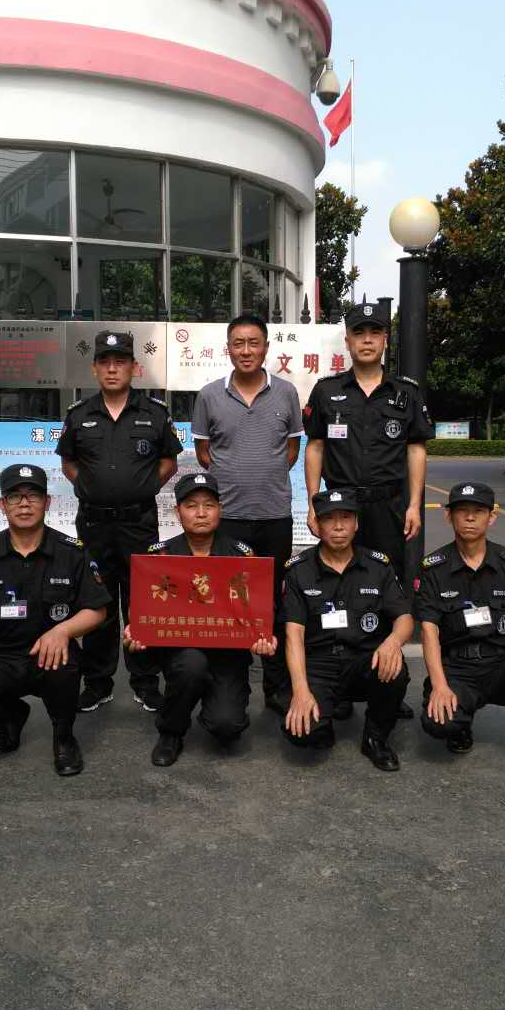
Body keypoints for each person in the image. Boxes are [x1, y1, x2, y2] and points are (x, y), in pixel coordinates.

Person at [302, 301, 433, 719]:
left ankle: (387, 683)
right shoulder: (327, 391)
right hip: (340, 506)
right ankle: (339, 684)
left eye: (375, 332)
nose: (367, 340)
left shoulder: (405, 393)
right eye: (359, 333)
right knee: (337, 588)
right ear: (348, 340)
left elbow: (416, 449)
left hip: (387, 507)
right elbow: (315, 447)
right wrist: (313, 503)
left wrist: (414, 505)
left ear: (385, 340)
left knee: (386, 589)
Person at [0, 463, 111, 776]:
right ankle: (10, 717)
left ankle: (64, 736)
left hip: (50, 654)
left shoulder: (71, 553)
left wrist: (63, 631)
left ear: (47, 503)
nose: (24, 503)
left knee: (65, 667)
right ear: (2, 504)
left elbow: (97, 610)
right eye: (14, 496)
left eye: (33, 496)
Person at [55, 330, 181, 712]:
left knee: (144, 602)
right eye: (105, 362)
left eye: (120, 362)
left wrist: (143, 487)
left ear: (134, 368)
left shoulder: (154, 413)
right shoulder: (79, 415)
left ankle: (145, 681)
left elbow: (168, 461)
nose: (113, 369)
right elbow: (69, 463)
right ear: (95, 368)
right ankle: (98, 683)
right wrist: (91, 488)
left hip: (138, 523)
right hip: (94, 526)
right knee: (98, 602)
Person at [123, 471, 277, 766]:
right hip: (182, 650)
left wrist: (264, 636)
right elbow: (140, 607)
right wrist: (136, 628)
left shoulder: (242, 556)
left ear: (220, 510)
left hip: (228, 653)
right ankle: (171, 731)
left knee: (227, 726)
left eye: (209, 505)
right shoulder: (160, 557)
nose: (201, 513)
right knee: (192, 665)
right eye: (191, 506)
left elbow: (261, 610)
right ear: (177, 512)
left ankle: (214, 698)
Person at [191, 313, 302, 710]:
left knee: (273, 600)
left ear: (266, 348)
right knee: (230, 601)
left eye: (254, 342)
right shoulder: (209, 395)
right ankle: (230, 682)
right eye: (238, 343)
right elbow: (205, 453)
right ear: (228, 349)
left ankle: (276, 685)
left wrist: (264, 475)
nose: (246, 350)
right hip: (229, 518)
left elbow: (291, 450)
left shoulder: (287, 392)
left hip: (274, 516)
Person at [415, 481, 505, 780]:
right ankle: (460, 725)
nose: (470, 518)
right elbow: (429, 632)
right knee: (439, 723)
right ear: (449, 516)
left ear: (491, 517)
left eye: (478, 511)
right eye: (462, 511)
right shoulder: (433, 568)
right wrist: (440, 686)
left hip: (503, 664)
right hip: (458, 668)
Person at [281, 487, 414, 771]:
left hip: (364, 660)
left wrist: (393, 642)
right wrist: (301, 691)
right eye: (329, 519)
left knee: (395, 668)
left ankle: (375, 737)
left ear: (356, 523)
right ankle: (323, 722)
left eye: (345, 518)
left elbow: (404, 617)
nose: (338, 526)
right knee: (302, 733)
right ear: (317, 525)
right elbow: (294, 635)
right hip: (319, 664)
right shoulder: (298, 570)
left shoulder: (378, 566)